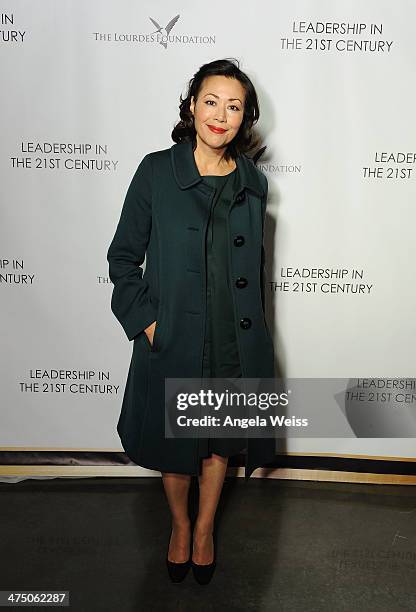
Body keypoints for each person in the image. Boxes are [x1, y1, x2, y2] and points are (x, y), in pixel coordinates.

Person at [106, 58, 276, 584]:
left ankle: (204, 531)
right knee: (176, 450)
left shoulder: (254, 183)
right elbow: (122, 258)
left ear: (244, 119)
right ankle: (179, 525)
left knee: (219, 443)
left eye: (234, 106)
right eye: (211, 101)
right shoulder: (157, 170)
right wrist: (149, 323)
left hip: (231, 338)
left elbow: (251, 271)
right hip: (175, 335)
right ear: (191, 107)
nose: (220, 114)